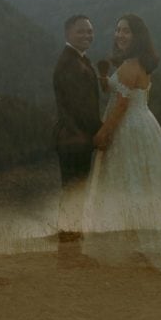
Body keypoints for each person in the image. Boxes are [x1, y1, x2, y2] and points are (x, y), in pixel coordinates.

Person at [83, 14, 161, 236]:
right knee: (146, 176)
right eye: (118, 29)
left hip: (128, 126)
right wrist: (105, 79)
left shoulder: (130, 66)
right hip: (142, 123)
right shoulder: (135, 62)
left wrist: (103, 133)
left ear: (137, 36)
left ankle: (134, 230)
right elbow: (119, 92)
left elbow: (121, 105)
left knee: (130, 177)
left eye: (126, 31)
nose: (120, 35)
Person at [53, 14, 102, 237]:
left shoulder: (77, 59)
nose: (87, 35)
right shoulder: (69, 63)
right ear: (68, 33)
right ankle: (69, 242)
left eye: (90, 31)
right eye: (81, 31)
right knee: (74, 191)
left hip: (76, 137)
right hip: (74, 138)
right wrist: (101, 131)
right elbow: (81, 108)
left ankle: (72, 240)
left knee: (75, 191)